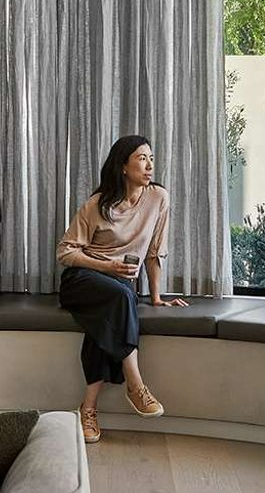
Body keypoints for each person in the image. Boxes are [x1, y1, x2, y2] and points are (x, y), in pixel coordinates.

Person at [56, 134, 187, 444]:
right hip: (82, 280)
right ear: (123, 167)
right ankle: (136, 385)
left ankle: (88, 409)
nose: (149, 165)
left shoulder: (158, 198)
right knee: (121, 295)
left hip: (118, 288)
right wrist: (107, 267)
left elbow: (154, 251)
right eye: (142, 158)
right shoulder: (97, 205)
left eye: (151, 158)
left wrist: (156, 297)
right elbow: (65, 252)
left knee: (109, 314)